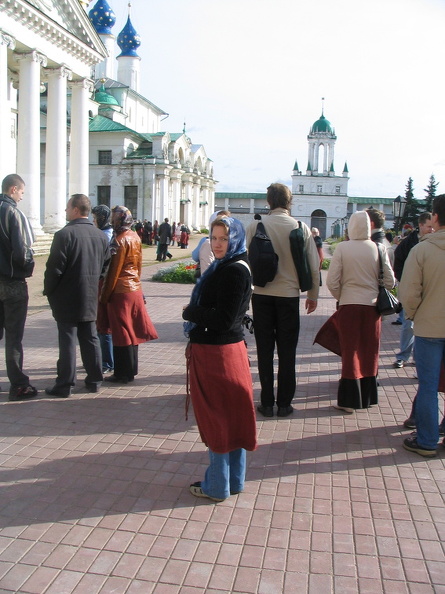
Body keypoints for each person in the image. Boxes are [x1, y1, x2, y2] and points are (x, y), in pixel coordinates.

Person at [183, 216, 257, 502]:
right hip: (226, 352)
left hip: (218, 354)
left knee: (217, 418)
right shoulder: (230, 266)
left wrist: (191, 312)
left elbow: (223, 320)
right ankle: (233, 481)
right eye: (214, 238)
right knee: (232, 418)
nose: (218, 244)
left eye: (224, 238)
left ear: (235, 238)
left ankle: (216, 485)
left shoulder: (233, 271)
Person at [246, 183, 320, 418]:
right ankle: (285, 403)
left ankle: (266, 402)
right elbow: (313, 266)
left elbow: (248, 261)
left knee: (265, 351)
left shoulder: (255, 226)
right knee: (287, 352)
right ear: (290, 202)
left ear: (269, 201)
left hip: (262, 295)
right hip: (289, 296)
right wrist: (313, 295)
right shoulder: (300, 227)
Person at [324, 210, 395, 412]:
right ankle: (368, 397)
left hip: (349, 304)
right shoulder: (378, 248)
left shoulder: (343, 248)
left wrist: (341, 296)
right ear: (369, 226)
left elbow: (332, 280)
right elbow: (389, 281)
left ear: (350, 227)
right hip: (372, 307)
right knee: (370, 350)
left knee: (350, 350)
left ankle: (349, 401)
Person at [44, 194, 110, 397]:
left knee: (68, 341)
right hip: (90, 295)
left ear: (75, 210)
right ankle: (95, 379)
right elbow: (105, 267)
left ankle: (65, 384)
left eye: (66, 208)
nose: (64, 211)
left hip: (66, 296)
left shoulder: (64, 235)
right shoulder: (100, 236)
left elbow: (54, 269)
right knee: (90, 339)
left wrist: (49, 291)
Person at [399, 195, 445, 457]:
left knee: (428, 385)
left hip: (429, 328)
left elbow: (409, 292)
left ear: (435, 218)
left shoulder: (422, 250)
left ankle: (427, 440)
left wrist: (416, 314)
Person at [100, 206, 158, 384]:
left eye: (114, 218)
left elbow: (113, 271)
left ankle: (122, 373)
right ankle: (131, 369)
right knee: (131, 330)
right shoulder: (135, 237)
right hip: (134, 288)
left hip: (120, 291)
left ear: (118, 220)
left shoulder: (118, 240)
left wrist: (104, 296)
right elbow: (138, 265)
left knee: (121, 332)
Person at [0, 174, 37, 401]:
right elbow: (22, 250)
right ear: (14, 189)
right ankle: (18, 385)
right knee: (14, 336)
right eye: (22, 193)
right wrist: (27, 268)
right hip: (12, 282)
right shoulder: (13, 213)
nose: (22, 197)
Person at [392, 212, 433, 369]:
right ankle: (403, 356)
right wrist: (408, 280)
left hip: (427, 291)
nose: (431, 230)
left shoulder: (433, 243)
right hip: (411, 290)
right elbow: (398, 264)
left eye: (432, 226)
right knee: (408, 325)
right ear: (420, 225)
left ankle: (418, 358)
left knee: (424, 327)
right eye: (428, 227)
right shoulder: (409, 243)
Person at [92, 205, 114, 374]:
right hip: (106, 284)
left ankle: (107, 361)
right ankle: (106, 358)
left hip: (104, 284)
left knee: (103, 324)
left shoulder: (106, 236)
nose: (93, 222)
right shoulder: (110, 234)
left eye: (95, 218)